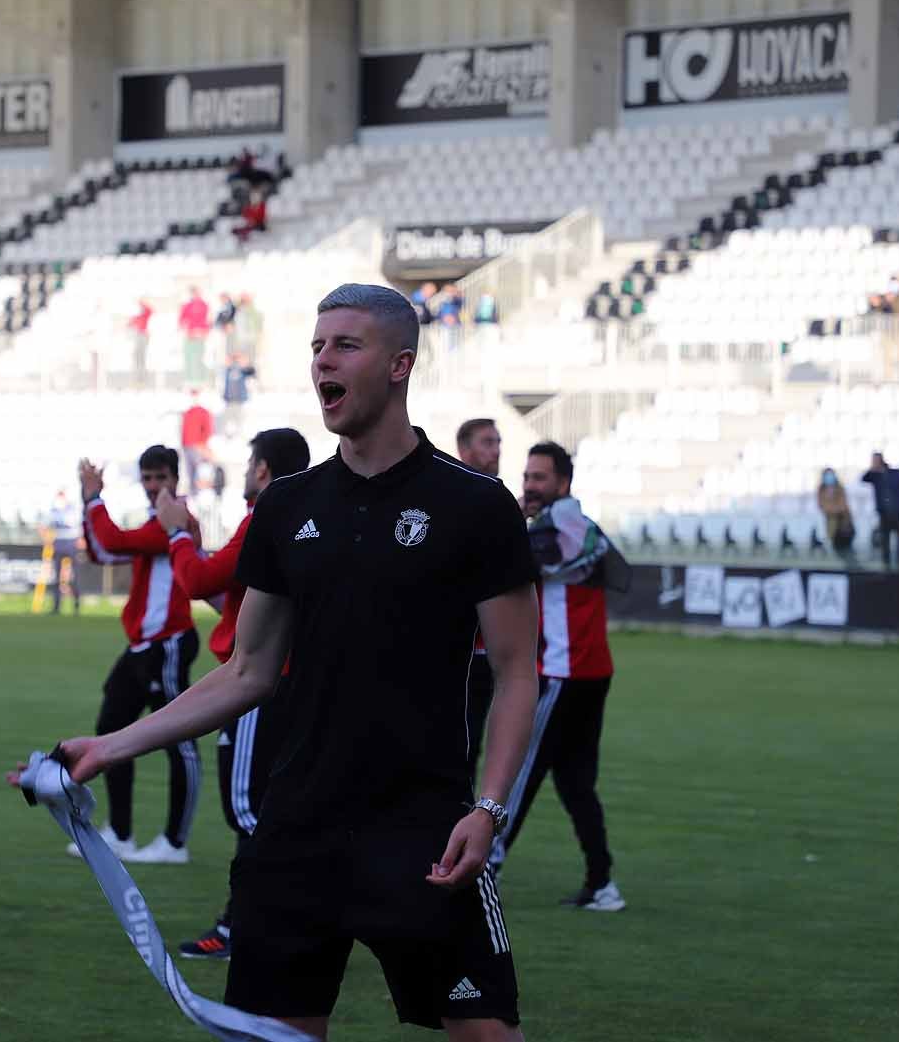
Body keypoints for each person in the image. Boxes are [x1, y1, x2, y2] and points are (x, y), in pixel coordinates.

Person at [33, 283, 539, 1040]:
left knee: (487, 1033)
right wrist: (110, 745)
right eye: (315, 346)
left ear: (400, 364)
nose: (322, 361)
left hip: (424, 828)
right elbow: (248, 671)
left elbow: (515, 669)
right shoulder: (287, 507)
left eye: (345, 345)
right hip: (295, 832)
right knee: (274, 1034)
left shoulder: (475, 504)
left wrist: (489, 809)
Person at [153, 428, 311, 961]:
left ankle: (244, 927)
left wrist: (178, 536)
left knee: (250, 813)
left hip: (257, 685)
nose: (245, 470)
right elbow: (234, 595)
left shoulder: (267, 519)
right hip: (285, 681)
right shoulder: (301, 518)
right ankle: (277, 923)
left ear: (263, 469)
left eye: (250, 462)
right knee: (270, 807)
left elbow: (199, 581)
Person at [485, 442, 622, 913]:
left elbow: (499, 557)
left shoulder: (548, 532)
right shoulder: (583, 528)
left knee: (518, 772)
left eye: (539, 478)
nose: (529, 485)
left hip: (562, 673)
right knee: (575, 783)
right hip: (593, 672)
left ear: (563, 483)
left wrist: (513, 520)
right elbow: (618, 572)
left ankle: (487, 867)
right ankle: (602, 882)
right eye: (527, 477)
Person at [79, 445, 201, 864]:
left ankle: (174, 843)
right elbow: (103, 551)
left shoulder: (176, 522)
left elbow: (112, 540)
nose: (153, 486)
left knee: (178, 742)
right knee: (112, 727)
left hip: (167, 643)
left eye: (160, 477)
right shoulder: (158, 525)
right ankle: (121, 832)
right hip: (144, 645)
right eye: (147, 478)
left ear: (175, 480)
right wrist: (87, 500)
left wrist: (94, 498)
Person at [455, 417, 503, 773]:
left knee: (469, 749)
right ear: (464, 449)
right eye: (487, 442)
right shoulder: (449, 497)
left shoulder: (499, 500)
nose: (496, 450)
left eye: (497, 442)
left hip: (486, 654)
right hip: (454, 650)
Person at [861, 451, 899, 572]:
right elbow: (863, 478)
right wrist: (872, 469)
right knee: (884, 541)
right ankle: (886, 567)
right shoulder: (874, 475)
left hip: (898, 512)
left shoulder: (897, 473)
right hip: (883, 513)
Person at [815, 468, 856, 567]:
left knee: (846, 549)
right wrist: (834, 509)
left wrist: (834, 509)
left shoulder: (840, 488)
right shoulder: (821, 490)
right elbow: (823, 507)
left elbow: (843, 506)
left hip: (843, 524)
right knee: (836, 548)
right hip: (831, 525)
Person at [180, 390, 214, 496]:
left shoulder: (203, 412)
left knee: (199, 473)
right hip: (187, 446)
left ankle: (200, 494)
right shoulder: (187, 412)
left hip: (197, 447)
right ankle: (193, 494)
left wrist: (202, 445)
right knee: (190, 472)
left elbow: (208, 430)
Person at [179, 287, 211, 385]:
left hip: (200, 336)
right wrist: (187, 331)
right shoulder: (186, 305)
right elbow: (181, 320)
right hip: (189, 336)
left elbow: (208, 321)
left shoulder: (205, 305)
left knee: (199, 358)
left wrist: (204, 332)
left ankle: (201, 380)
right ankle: (189, 381)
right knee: (188, 358)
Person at [221, 353, 257, 437]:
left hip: (240, 401)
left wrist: (244, 364)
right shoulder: (227, 370)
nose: (235, 362)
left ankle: (238, 436)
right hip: (228, 401)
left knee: (240, 422)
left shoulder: (243, 370)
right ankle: (228, 436)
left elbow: (252, 372)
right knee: (226, 421)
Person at [129, 298, 153, 388]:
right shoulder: (137, 316)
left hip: (143, 335)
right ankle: (137, 378)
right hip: (137, 336)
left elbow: (150, 310)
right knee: (136, 357)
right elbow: (130, 324)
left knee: (141, 357)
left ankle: (142, 379)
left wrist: (141, 302)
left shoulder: (145, 314)